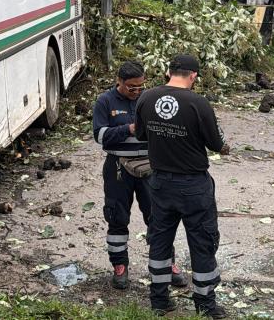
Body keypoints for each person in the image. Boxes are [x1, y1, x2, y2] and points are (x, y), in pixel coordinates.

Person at [135, 55, 230, 318]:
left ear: (168, 71)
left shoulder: (146, 98)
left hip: (160, 184)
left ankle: (159, 301)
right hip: (193, 186)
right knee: (202, 241)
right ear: (194, 76)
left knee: (160, 241)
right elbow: (216, 143)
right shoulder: (198, 103)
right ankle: (205, 305)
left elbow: (141, 134)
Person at [92, 62, 187, 290]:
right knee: (116, 216)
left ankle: (167, 265)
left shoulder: (152, 99)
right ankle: (120, 267)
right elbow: (100, 135)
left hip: (149, 167)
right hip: (117, 167)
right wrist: (129, 129)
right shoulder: (105, 101)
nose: (136, 92)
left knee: (159, 218)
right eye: (131, 88)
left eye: (140, 87)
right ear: (119, 82)